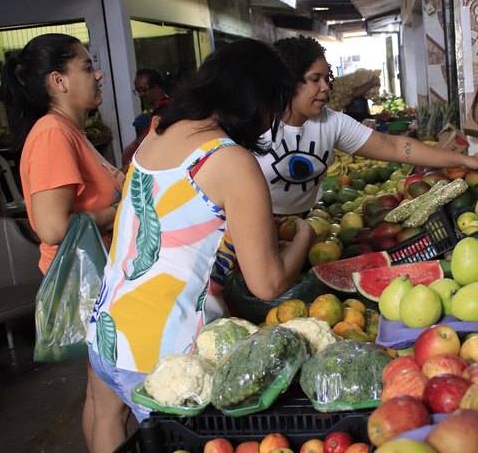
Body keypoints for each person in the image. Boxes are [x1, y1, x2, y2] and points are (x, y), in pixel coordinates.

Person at [85, 38, 317, 448]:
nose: (270, 121)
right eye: (273, 107)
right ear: (255, 99)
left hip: (109, 324)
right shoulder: (230, 161)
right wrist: (306, 235)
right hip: (168, 349)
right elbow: (268, 284)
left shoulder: (158, 132)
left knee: (106, 419)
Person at [2, 33, 127, 453]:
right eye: (87, 65)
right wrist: (123, 208)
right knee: (115, 401)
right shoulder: (53, 134)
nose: (98, 73)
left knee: (101, 396)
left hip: (100, 279)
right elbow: (53, 227)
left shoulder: (70, 130)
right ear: (58, 81)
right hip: (91, 284)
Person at [260, 35, 478, 216]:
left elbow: (395, 147)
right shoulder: (256, 126)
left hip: (306, 224)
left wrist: (463, 159)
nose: (325, 88)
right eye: (314, 79)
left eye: (325, 79)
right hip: (252, 227)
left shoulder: (331, 122)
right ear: (288, 80)